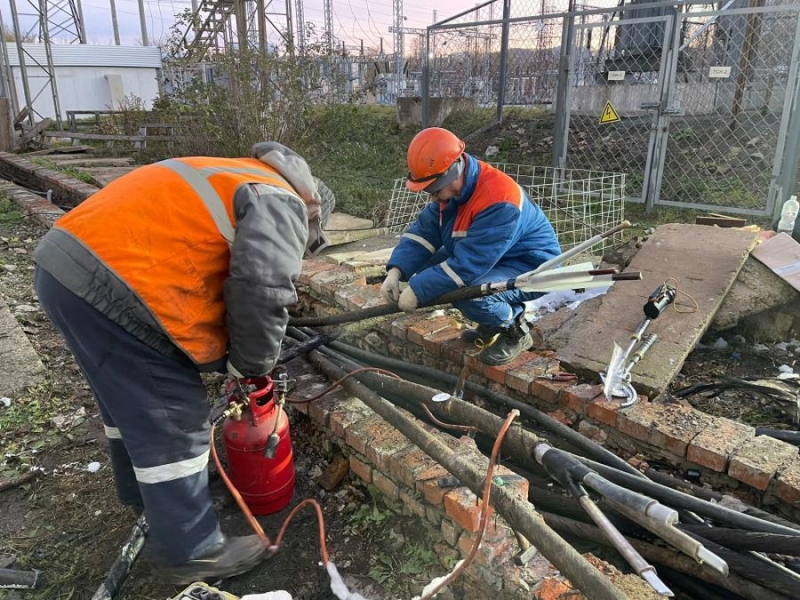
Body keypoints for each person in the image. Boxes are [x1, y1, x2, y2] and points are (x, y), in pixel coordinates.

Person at [33, 142, 335, 584]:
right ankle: (194, 551)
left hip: (63, 266)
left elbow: (204, 264)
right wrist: (249, 368)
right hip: (114, 286)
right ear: (314, 214)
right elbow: (261, 292)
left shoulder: (235, 171)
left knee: (126, 403)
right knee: (174, 415)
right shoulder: (283, 202)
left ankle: (145, 495)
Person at [381, 127, 561, 366]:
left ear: (452, 172)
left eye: (433, 189)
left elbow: (467, 267)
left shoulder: (499, 199)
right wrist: (397, 271)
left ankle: (515, 328)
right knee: (427, 272)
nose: (431, 197)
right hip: (493, 255)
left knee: (468, 295)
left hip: (531, 266)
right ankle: (490, 321)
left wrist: (418, 289)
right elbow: (424, 233)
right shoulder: (456, 191)